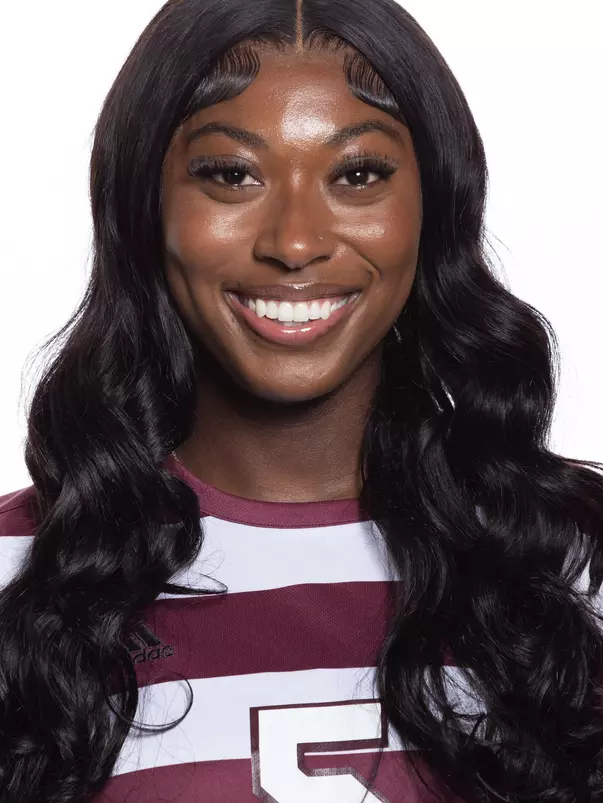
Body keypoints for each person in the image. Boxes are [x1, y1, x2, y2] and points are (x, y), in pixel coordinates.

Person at [0, 0, 602, 801]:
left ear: (435, 207)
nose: (293, 242)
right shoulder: (20, 574)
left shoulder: (573, 562)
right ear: (144, 207)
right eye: (229, 174)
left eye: (357, 174)